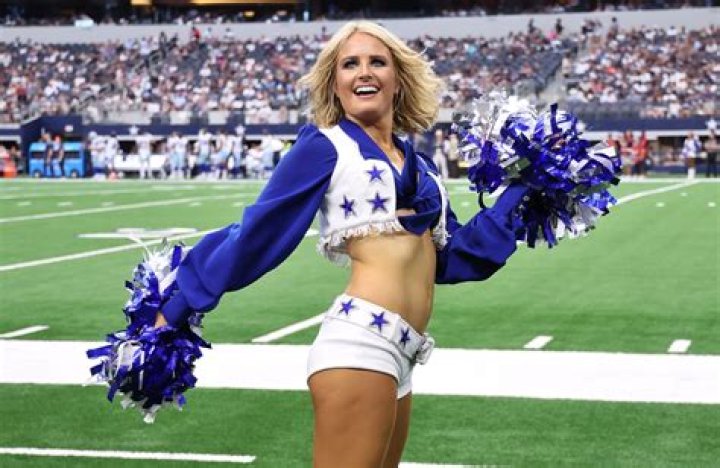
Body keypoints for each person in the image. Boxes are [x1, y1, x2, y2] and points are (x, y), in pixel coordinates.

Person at [155, 21, 528, 467]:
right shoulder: (325, 145)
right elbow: (257, 234)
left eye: (377, 62)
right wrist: (175, 306)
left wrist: (524, 189)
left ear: (397, 79)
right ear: (335, 83)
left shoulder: (422, 165)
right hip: (360, 344)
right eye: (350, 64)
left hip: (405, 352)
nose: (364, 72)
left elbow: (452, 259)